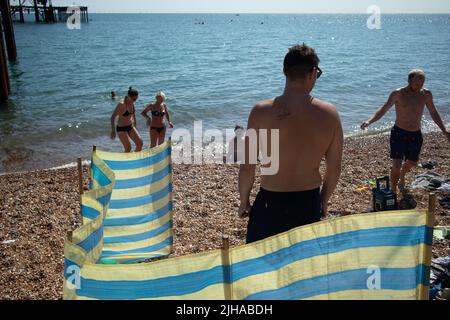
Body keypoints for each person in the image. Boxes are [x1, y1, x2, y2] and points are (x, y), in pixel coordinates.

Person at [238, 44, 343, 244]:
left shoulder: (260, 111)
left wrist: (244, 201)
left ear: (284, 71)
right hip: (308, 202)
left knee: (262, 269)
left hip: (270, 203)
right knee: (302, 269)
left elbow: (247, 168)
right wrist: (323, 201)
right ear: (313, 73)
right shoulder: (330, 114)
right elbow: (334, 169)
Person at [361, 69, 450, 194]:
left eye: (422, 82)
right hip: (399, 133)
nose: (420, 85)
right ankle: (393, 189)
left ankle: (402, 175)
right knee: (396, 164)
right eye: (417, 83)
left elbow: (434, 113)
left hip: (416, 133)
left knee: (413, 162)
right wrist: (369, 121)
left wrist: (444, 130)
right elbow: (383, 109)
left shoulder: (426, 94)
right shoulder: (398, 93)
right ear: (409, 80)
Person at [110, 87, 143, 152]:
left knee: (140, 143)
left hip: (130, 126)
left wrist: (135, 126)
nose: (135, 100)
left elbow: (133, 115)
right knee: (128, 148)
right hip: (121, 128)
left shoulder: (132, 102)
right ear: (129, 96)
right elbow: (112, 117)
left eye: (136, 99)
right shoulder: (121, 104)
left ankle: (134, 159)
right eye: (134, 99)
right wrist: (113, 131)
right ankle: (125, 161)